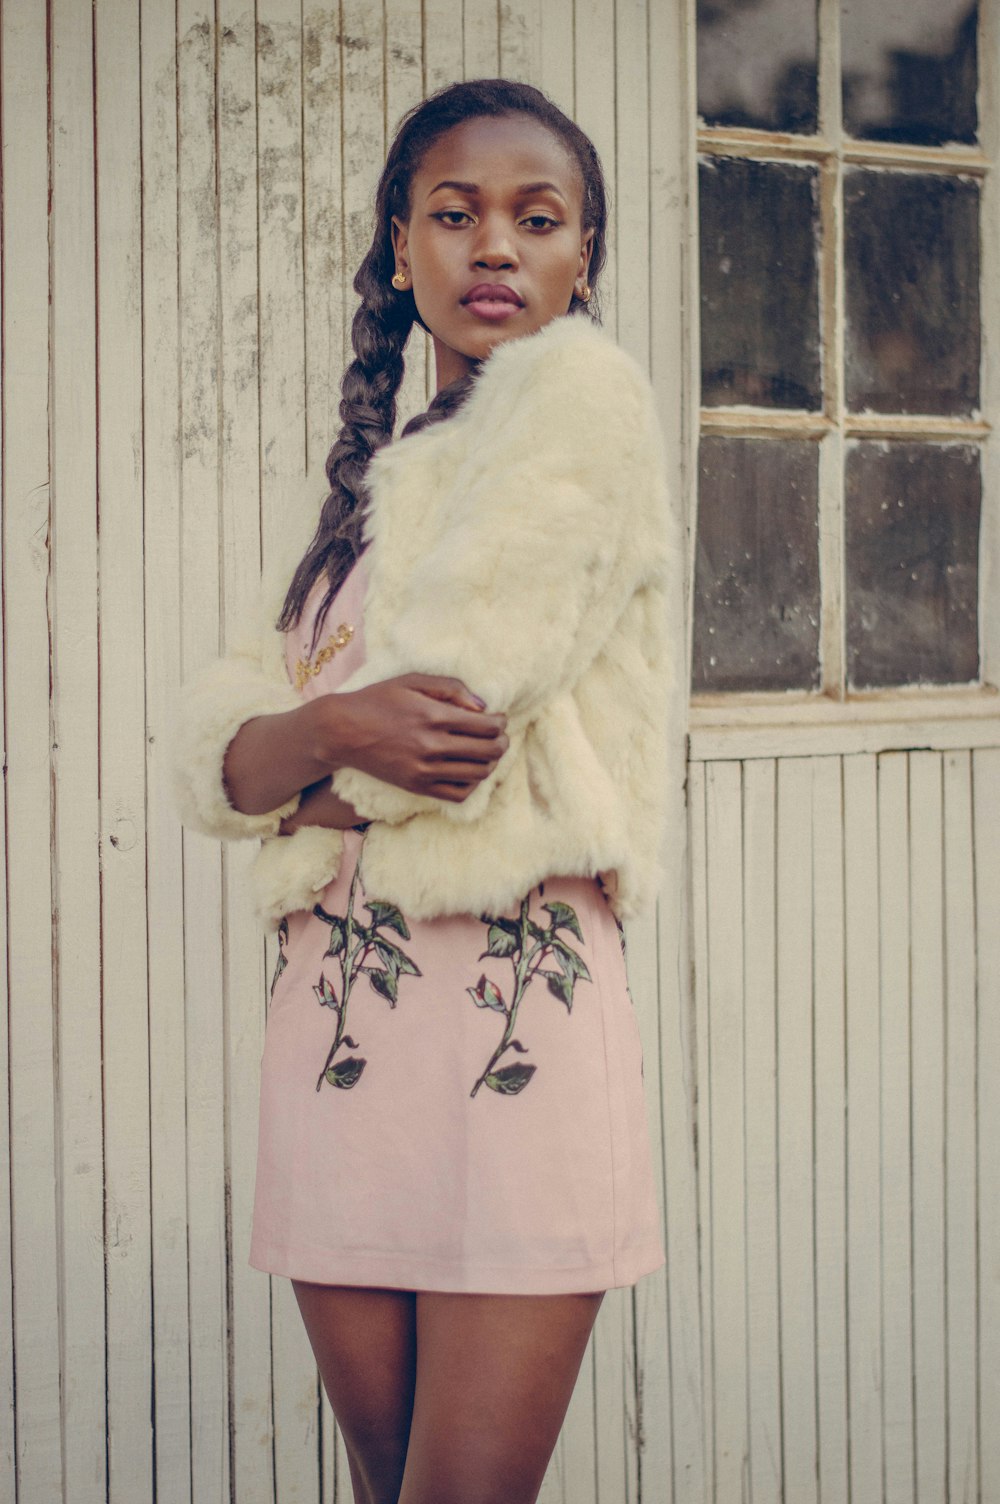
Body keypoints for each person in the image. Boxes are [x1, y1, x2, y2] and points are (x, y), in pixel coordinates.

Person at [174, 77, 680, 1504]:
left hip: (511, 1026)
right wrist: (316, 736)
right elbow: (232, 732)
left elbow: (455, 722)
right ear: (402, 250)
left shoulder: (585, 409)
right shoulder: (383, 487)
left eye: (539, 218)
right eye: (453, 216)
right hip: (340, 1042)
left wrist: (288, 759)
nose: (495, 249)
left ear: (587, 255)